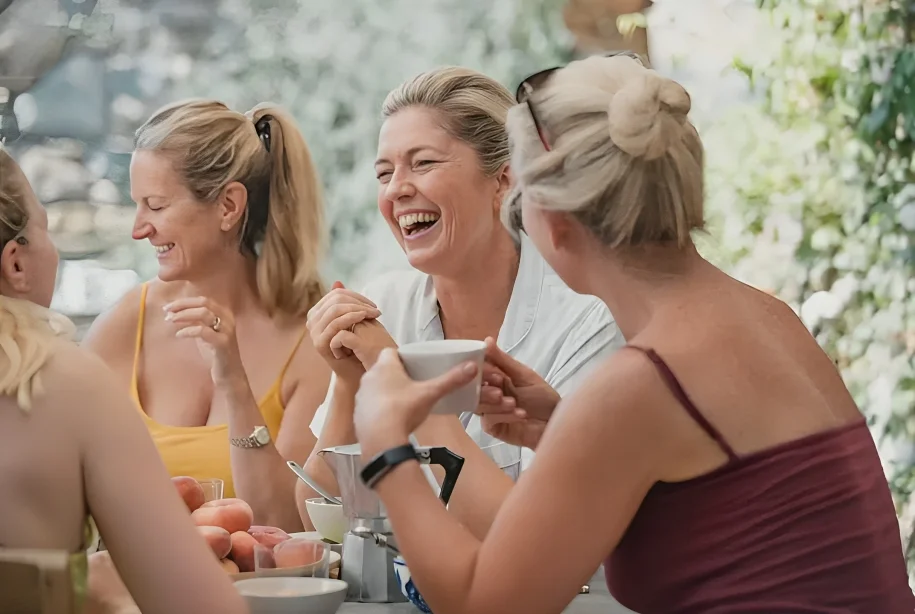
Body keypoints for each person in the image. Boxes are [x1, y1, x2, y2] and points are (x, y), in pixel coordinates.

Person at [348, 54, 915, 614]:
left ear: (558, 224)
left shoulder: (640, 383)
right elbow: (733, 520)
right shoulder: (769, 316)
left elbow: (484, 603)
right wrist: (561, 425)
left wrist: (388, 443)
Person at [298, 66, 623, 534]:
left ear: (502, 180)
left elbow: (536, 539)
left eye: (423, 163)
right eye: (384, 173)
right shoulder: (383, 302)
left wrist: (392, 372)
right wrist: (350, 384)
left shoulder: (586, 318)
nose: (396, 189)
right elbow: (315, 515)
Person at [0, 147, 247, 613]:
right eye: (45, 230)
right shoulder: (64, 381)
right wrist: (101, 594)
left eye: (155, 205)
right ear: (15, 262)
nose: (139, 228)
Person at [83, 100, 331, 531]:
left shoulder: (309, 341)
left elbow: (289, 525)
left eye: (156, 206)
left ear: (228, 207)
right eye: (137, 205)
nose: (138, 229)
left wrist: (233, 380)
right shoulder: (127, 323)